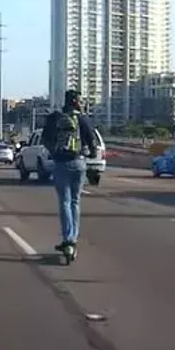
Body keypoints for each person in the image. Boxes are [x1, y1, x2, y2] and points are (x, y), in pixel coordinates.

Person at [39, 89, 100, 255]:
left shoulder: (55, 118)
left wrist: (54, 153)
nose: (81, 103)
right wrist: (89, 154)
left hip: (60, 164)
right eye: (80, 100)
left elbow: (45, 139)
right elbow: (93, 144)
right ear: (76, 102)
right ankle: (74, 238)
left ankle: (67, 238)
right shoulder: (82, 119)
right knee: (75, 201)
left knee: (64, 202)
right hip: (78, 163)